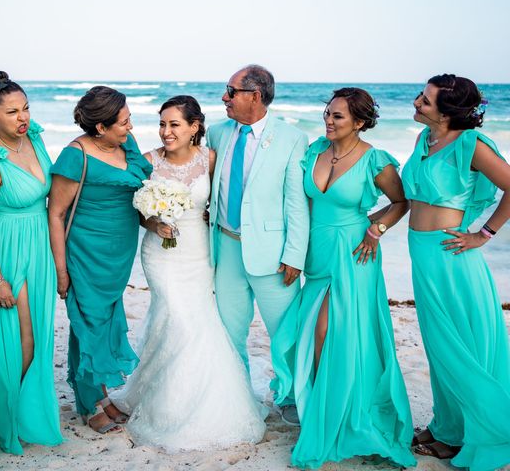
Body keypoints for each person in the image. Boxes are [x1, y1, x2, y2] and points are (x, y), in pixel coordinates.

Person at [110, 95, 267, 451]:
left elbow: (226, 200)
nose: (166, 131)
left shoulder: (210, 158)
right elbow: (136, 208)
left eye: (174, 124)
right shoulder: (148, 161)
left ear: (195, 127)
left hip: (198, 251)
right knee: (176, 317)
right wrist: (152, 221)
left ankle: (206, 399)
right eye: (162, 124)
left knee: (197, 320)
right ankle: (169, 404)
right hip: (160, 256)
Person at [271, 88, 416, 468]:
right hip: (316, 253)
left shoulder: (375, 160)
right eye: (327, 114)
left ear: (360, 122)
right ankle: (320, 402)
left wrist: (376, 229)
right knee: (310, 330)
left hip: (355, 252)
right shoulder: (313, 152)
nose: (328, 121)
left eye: (338, 116)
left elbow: (401, 203)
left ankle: (329, 413)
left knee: (329, 331)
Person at [402, 73, 510, 470]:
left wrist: (485, 233)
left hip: (452, 258)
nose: (417, 103)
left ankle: (477, 431)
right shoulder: (423, 140)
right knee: (437, 347)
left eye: (426, 101)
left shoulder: (470, 144)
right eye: (420, 96)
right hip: (422, 255)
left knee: (457, 348)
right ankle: (447, 426)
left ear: (447, 113)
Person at [206, 65, 309, 423]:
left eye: (231, 91)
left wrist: (295, 254)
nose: (224, 97)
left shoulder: (291, 138)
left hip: (273, 254)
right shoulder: (216, 133)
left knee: (286, 332)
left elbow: (296, 202)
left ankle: (291, 395)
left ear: (255, 95)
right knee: (228, 330)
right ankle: (236, 396)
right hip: (226, 247)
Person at [48, 86, 152, 434]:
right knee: (87, 324)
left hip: (118, 256)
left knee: (101, 323)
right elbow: (57, 213)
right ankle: (91, 401)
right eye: (123, 122)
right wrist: (61, 270)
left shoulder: (127, 145)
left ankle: (102, 395)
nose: (130, 127)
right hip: (85, 252)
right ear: (99, 128)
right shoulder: (75, 155)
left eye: (130, 119)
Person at [0, 71, 62, 454]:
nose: (22, 118)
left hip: (38, 244)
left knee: (39, 338)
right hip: (9, 250)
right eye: (12, 112)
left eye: (26, 108)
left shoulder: (35, 138)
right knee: (20, 342)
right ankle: (0, 419)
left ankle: (22, 414)